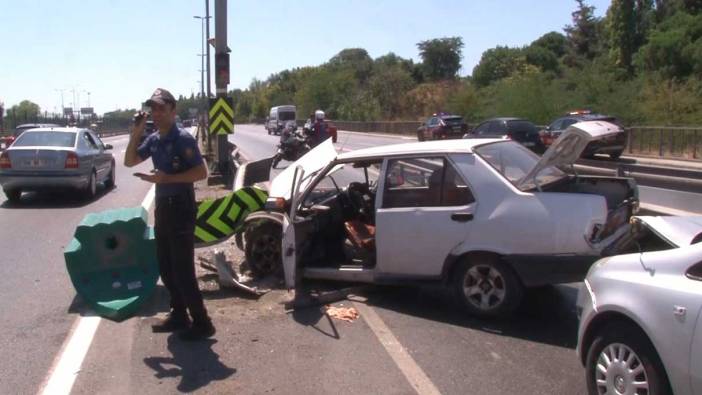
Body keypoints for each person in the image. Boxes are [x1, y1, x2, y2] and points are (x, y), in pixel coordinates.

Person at [124, 88, 215, 341]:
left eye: (161, 108)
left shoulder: (183, 139)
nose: (156, 113)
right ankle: (179, 315)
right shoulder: (154, 139)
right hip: (164, 206)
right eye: (152, 109)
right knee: (165, 266)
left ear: (173, 111)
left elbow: (200, 173)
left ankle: (202, 322)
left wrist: (166, 178)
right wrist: (137, 132)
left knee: (183, 269)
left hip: (181, 206)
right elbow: (129, 161)